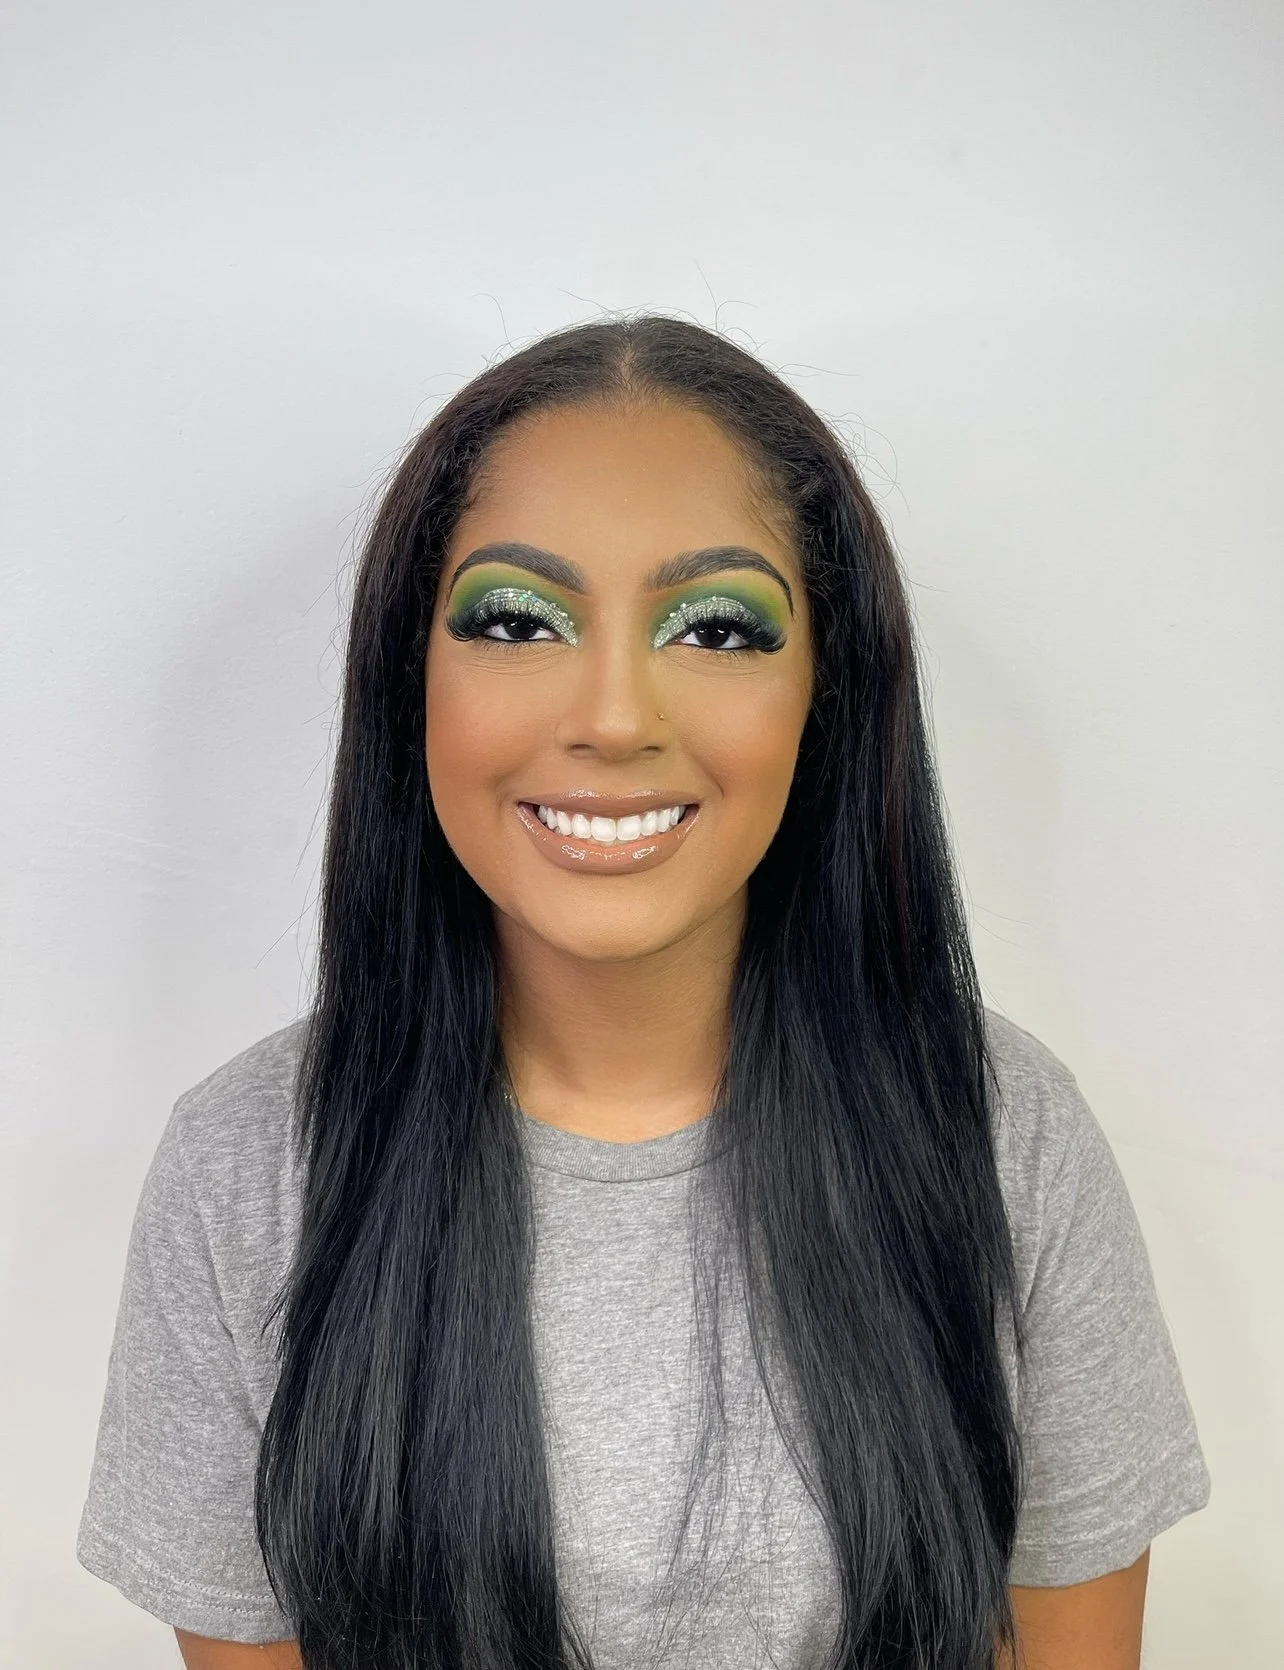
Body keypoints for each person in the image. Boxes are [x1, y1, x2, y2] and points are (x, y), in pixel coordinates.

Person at [77, 316, 1210, 1670]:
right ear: (409, 681)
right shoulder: (247, 1169)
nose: (615, 714)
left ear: (824, 695)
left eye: (719, 627)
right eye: (517, 618)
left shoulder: (1006, 1136)